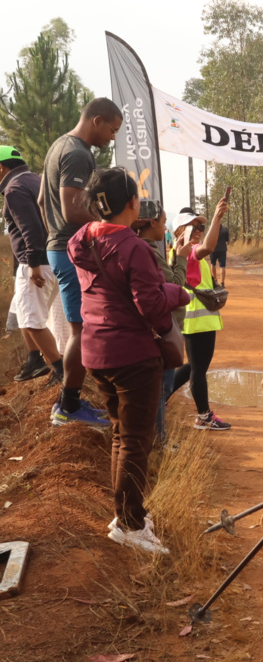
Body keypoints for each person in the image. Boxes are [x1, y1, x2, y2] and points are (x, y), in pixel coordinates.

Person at [67, 168, 190, 555]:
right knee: (136, 441)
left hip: (96, 351)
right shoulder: (134, 247)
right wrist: (178, 293)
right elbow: (152, 306)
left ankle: (125, 514)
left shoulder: (80, 239)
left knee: (122, 436)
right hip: (132, 355)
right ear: (133, 203)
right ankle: (131, 524)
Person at [39, 98, 123, 427]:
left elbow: (43, 201)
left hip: (61, 248)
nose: (112, 138)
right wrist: (113, 219)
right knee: (82, 330)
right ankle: (67, 406)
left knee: (82, 327)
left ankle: (71, 400)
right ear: (96, 120)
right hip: (68, 251)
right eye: (112, 130)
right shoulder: (77, 153)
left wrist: (55, 238)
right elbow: (72, 209)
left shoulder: (59, 146)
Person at [0, 145, 61, 383]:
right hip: (52, 258)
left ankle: (60, 370)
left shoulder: (14, 189)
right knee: (22, 309)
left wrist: (33, 263)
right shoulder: (34, 180)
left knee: (32, 321)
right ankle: (34, 359)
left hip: (36, 263)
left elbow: (31, 229)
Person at [170, 203, 232, 431]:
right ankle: (204, 416)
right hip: (198, 321)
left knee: (196, 365)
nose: (198, 230)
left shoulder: (180, 251)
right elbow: (208, 246)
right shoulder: (189, 251)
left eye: (200, 226)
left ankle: (162, 395)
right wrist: (217, 217)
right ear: (180, 230)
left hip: (198, 319)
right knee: (198, 369)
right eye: (193, 226)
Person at [134, 205, 188, 443]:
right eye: (163, 221)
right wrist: (183, 258)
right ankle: (159, 440)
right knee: (162, 389)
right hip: (161, 330)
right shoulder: (149, 251)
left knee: (159, 388)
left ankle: (158, 437)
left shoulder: (142, 248)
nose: (165, 227)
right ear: (152, 222)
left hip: (152, 330)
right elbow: (175, 283)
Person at [210, 219, 230, 287]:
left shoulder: (211, 229)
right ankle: (222, 282)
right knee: (222, 266)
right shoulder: (225, 229)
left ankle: (215, 281)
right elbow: (227, 240)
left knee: (213, 264)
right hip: (222, 249)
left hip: (213, 249)